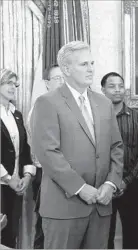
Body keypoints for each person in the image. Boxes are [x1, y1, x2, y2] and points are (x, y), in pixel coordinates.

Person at [31, 41, 124, 249]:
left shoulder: (104, 103)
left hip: (101, 205)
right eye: (84, 64)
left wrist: (110, 184)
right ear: (66, 69)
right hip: (64, 208)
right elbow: (47, 153)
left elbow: (117, 147)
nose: (91, 68)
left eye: (92, 63)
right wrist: (80, 188)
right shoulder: (47, 102)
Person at [101, 72, 138, 249]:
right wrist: (110, 182)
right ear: (103, 90)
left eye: (121, 86)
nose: (117, 90)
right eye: (112, 86)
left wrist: (126, 181)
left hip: (131, 184)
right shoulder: (97, 118)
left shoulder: (137, 118)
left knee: (134, 234)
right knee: (104, 235)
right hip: (103, 185)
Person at [27, 63, 64, 249]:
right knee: (46, 226)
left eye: (64, 77)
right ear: (46, 83)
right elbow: (43, 148)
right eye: (57, 78)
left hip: (64, 174)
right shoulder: (42, 106)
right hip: (47, 175)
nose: (62, 82)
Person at [0, 68, 36, 248]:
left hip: (16, 186)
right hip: (2, 183)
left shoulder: (17, 114)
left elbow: (24, 150)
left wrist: (27, 176)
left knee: (11, 234)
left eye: (15, 84)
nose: (13, 87)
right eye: (8, 82)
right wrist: (7, 178)